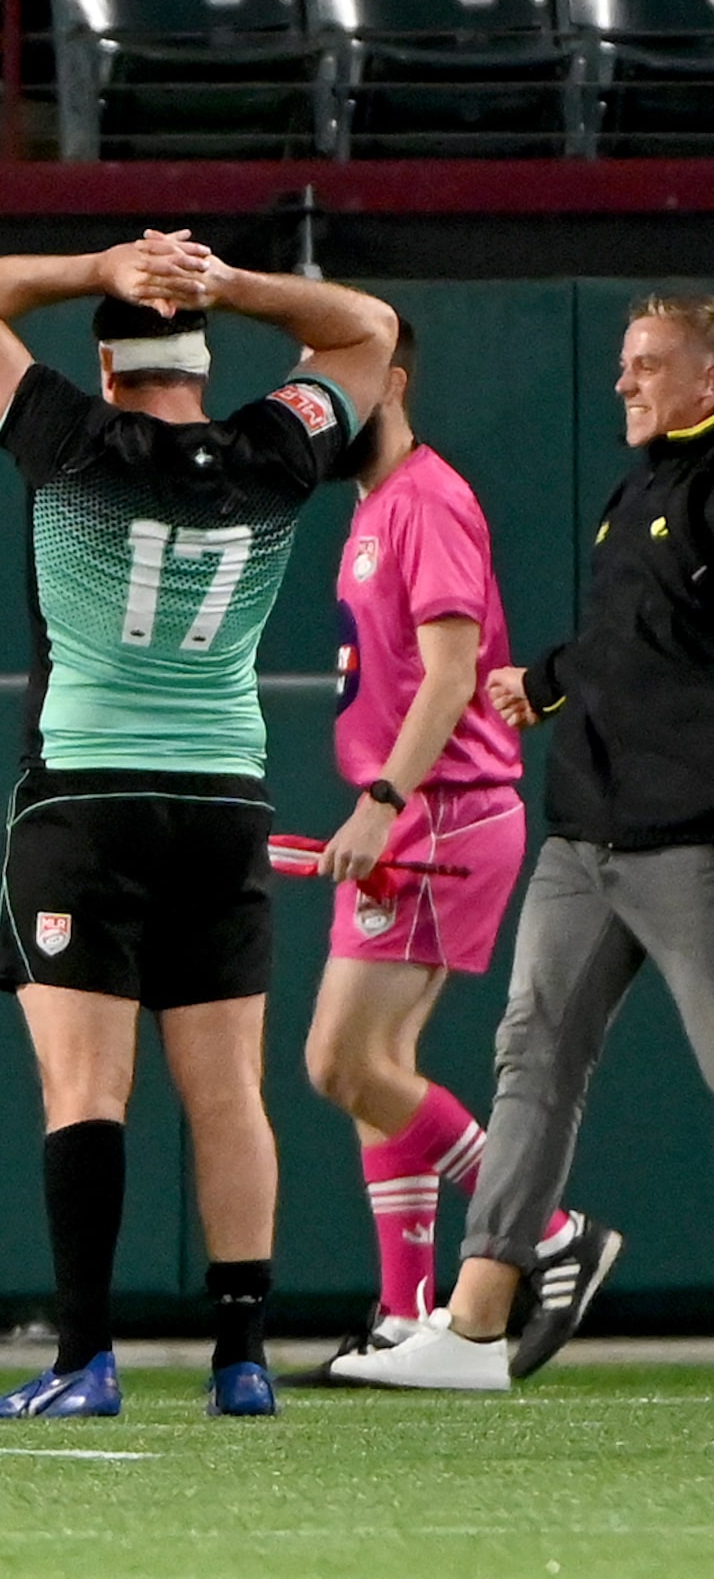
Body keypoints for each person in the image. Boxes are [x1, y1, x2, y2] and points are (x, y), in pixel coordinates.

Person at [0, 233, 394, 1420]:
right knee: (227, 1091)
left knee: (85, 1088)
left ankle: (84, 1360)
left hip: (86, 792)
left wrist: (97, 264)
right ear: (202, 359)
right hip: (222, 796)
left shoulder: (72, 435)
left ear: (110, 363)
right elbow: (365, 328)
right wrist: (226, 283)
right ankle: (240, 1360)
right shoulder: (270, 448)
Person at [328, 293, 714, 1391]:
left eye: (646, 365)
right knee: (530, 1054)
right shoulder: (638, 485)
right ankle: (476, 1323)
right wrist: (545, 681)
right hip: (584, 830)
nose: (621, 382)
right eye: (622, 362)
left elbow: (664, 662)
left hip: (685, 835)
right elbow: (624, 642)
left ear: (706, 382)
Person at [283, 318, 581, 1383]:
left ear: (392, 381)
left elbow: (452, 674)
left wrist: (379, 800)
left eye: (337, 383)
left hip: (437, 810)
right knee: (376, 1074)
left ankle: (543, 1229)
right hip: (412, 810)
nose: (315, 410)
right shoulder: (373, 505)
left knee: (338, 1060)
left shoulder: (428, 497)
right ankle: (406, 1310)